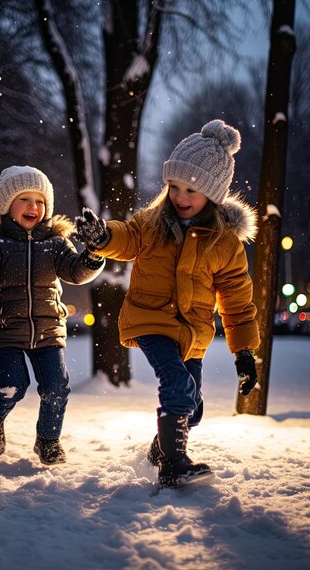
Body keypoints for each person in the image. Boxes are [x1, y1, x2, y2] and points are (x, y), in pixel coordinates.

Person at [75, 119, 260, 489]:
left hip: (193, 334)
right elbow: (125, 239)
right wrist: (102, 236)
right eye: (174, 186)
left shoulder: (224, 244)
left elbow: (237, 302)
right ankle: (174, 464)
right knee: (176, 383)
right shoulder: (151, 224)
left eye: (190, 188)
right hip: (151, 321)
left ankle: (161, 449)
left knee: (193, 407)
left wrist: (244, 353)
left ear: (212, 193)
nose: (179, 195)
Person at [0, 165, 105, 465]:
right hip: (7, 329)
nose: (33, 206)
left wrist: (93, 252)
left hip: (48, 329)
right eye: (24, 199)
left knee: (56, 387)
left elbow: (76, 272)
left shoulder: (55, 244)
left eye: (40, 201)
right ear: (6, 205)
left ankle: (48, 441)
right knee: (13, 385)